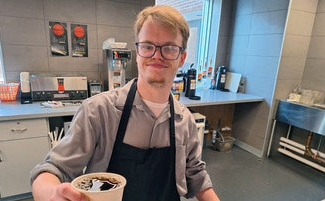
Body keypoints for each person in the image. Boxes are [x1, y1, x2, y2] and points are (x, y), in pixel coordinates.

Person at [31, 5, 220, 201]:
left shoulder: (185, 120)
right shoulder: (99, 111)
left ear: (182, 58)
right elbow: (52, 170)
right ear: (137, 52)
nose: (156, 55)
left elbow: (197, 177)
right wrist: (53, 194)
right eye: (148, 46)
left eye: (169, 48)